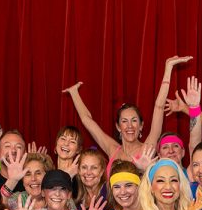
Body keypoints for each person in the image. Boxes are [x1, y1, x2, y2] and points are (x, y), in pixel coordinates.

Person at [62, 55, 191, 163]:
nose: (130, 126)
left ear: (141, 126)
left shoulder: (147, 148)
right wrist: (74, 93)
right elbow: (87, 121)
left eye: (134, 120)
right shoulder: (112, 149)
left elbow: (159, 107)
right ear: (118, 127)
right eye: (124, 121)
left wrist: (168, 69)